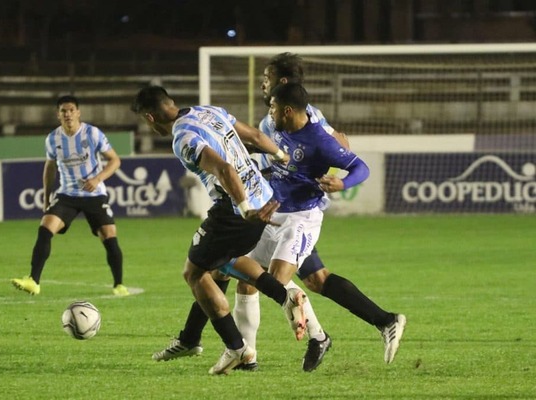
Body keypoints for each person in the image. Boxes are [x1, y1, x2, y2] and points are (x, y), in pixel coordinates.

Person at [152, 53, 406, 372]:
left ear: (282, 86)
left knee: (264, 279)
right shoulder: (272, 120)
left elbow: (339, 149)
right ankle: (238, 352)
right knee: (263, 275)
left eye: (267, 77)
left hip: (300, 214)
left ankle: (311, 338)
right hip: (274, 208)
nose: (262, 82)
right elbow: (268, 152)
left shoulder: (307, 118)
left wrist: (338, 177)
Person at [130, 85, 309, 375]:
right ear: (171, 102)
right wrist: (279, 154)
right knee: (222, 263)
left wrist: (243, 207)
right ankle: (284, 297)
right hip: (264, 197)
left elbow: (224, 169)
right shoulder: (208, 111)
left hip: (238, 212)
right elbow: (253, 136)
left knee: (194, 272)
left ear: (150, 118)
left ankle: (237, 349)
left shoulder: (183, 138)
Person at [11, 95, 129, 297]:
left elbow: (115, 161)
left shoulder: (92, 134)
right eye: (63, 111)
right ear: (58, 115)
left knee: (109, 236)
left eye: (71, 110)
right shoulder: (53, 139)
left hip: (94, 194)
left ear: (78, 112)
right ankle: (33, 281)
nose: (67, 114)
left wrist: (97, 179)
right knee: (45, 228)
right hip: (67, 194)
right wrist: (47, 198)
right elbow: (49, 168)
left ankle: (119, 285)